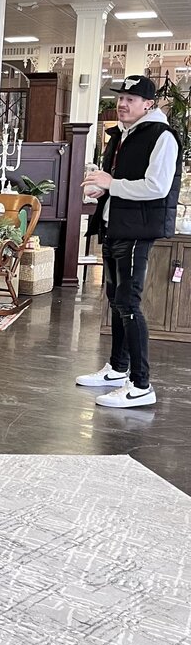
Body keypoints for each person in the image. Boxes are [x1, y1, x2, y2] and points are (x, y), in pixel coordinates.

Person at [78, 74, 181, 408]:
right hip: (114, 227)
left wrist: (112, 183)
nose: (122, 104)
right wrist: (100, 191)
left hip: (138, 231)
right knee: (116, 301)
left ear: (148, 104)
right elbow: (115, 184)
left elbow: (157, 187)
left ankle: (141, 385)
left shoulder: (161, 136)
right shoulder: (121, 135)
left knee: (129, 304)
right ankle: (117, 370)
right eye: (121, 98)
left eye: (131, 99)